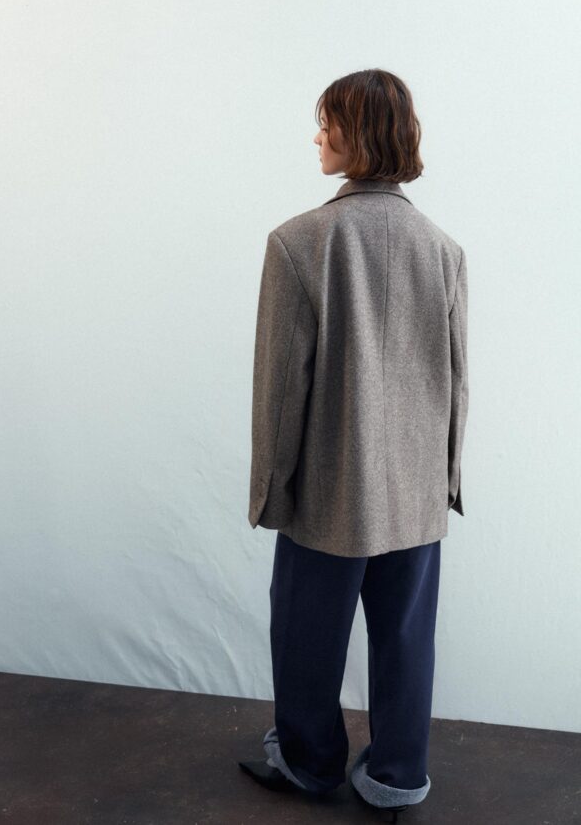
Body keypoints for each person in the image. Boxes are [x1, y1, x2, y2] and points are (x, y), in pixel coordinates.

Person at [239, 69, 469, 819]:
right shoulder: (443, 249)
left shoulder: (299, 242)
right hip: (417, 490)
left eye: (328, 123)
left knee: (306, 633)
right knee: (406, 640)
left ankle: (309, 763)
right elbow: (457, 379)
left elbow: (281, 388)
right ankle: (397, 775)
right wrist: (447, 480)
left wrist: (272, 489)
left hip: (330, 487)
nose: (317, 137)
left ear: (360, 135)